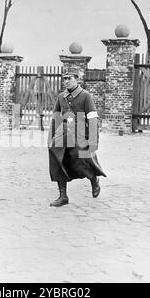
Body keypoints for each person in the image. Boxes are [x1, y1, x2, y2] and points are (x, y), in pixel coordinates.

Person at [48, 68, 106, 207]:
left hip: (81, 134)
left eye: (70, 78)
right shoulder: (61, 97)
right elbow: (56, 116)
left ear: (77, 79)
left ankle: (93, 179)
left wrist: (93, 140)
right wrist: (52, 137)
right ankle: (63, 196)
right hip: (63, 133)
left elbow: (92, 118)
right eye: (65, 79)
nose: (66, 81)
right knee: (57, 158)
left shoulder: (85, 96)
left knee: (80, 159)